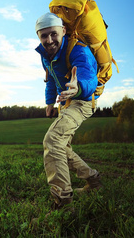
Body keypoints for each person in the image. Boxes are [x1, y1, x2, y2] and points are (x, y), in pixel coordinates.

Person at [34, 12, 102, 212]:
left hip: (82, 100)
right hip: (66, 103)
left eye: (53, 34)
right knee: (61, 147)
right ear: (39, 36)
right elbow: (51, 79)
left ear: (63, 31)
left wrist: (78, 86)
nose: (49, 40)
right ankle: (93, 180)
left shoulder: (78, 50)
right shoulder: (46, 55)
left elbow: (90, 77)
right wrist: (49, 103)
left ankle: (63, 205)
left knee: (52, 140)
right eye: (43, 36)